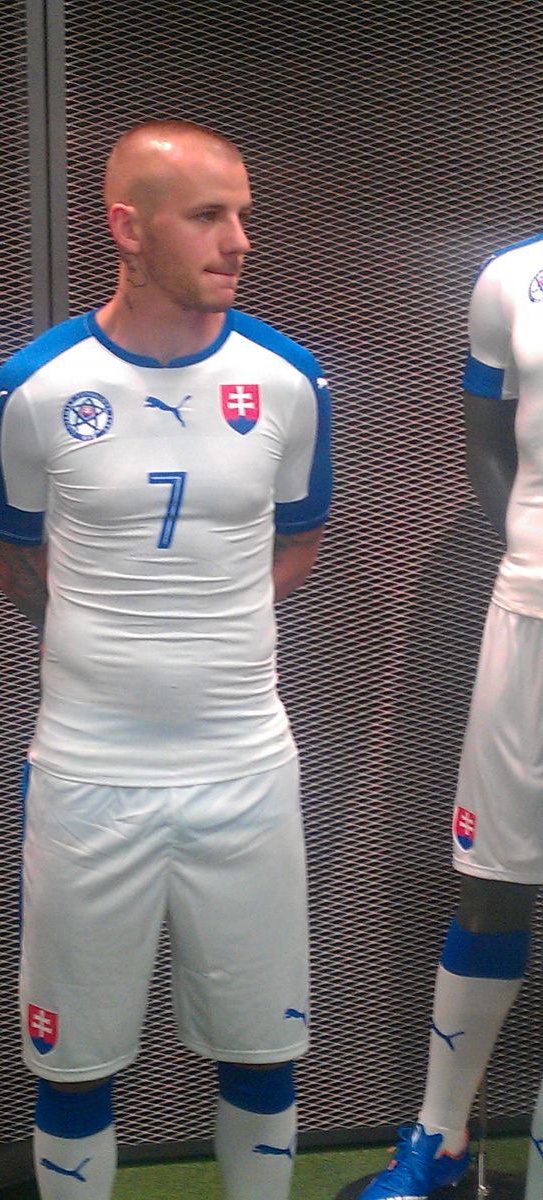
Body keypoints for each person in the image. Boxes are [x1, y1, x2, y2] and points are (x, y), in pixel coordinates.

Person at [0, 118, 333, 1200]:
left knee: (263, 1051)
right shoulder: (34, 388)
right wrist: (117, 642)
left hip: (246, 770)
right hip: (89, 777)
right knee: (73, 1064)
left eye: (244, 216)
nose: (239, 241)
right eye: (208, 216)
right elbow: (17, 559)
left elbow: (299, 538)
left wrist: (204, 633)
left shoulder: (289, 379)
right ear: (127, 228)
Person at [360, 232, 543, 1200]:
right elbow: (485, 443)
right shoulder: (510, 277)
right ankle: (441, 1137)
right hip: (529, 616)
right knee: (490, 885)